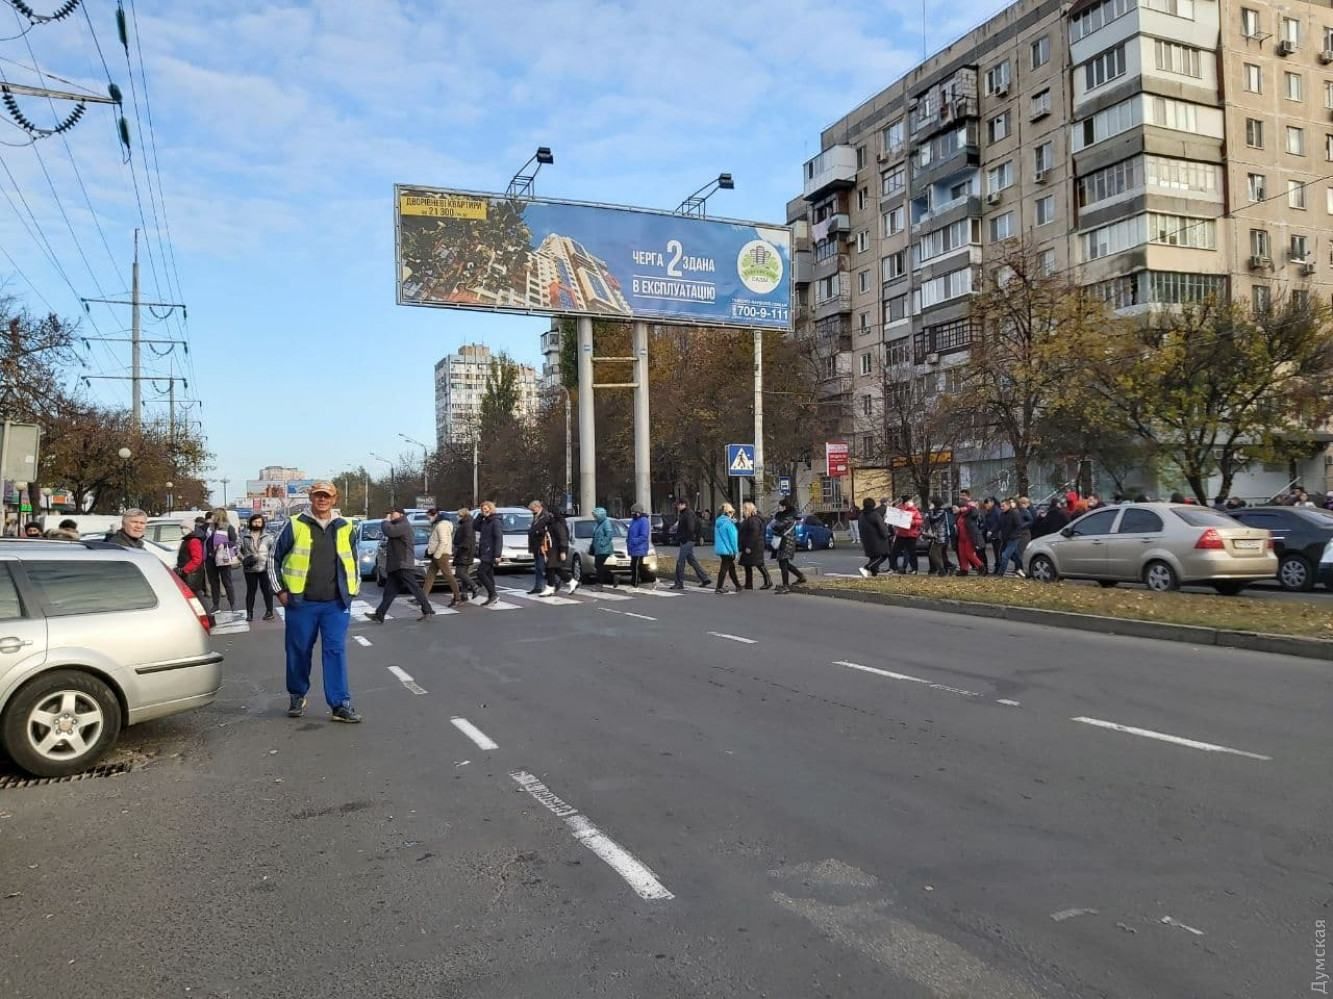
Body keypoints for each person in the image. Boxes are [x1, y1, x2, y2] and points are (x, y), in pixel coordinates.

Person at [268, 481, 362, 723]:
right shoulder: (295, 524)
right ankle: (297, 695)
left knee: (335, 651)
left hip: (336, 603)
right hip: (302, 603)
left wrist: (353, 590)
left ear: (334, 499)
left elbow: (354, 560)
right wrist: (280, 591)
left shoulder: (346, 526)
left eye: (326, 496)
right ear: (311, 498)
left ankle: (340, 704)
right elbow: (273, 559)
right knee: (298, 651)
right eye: (318, 496)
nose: (322, 500)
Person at [369, 507, 433, 622]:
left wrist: (385, 521)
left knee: (414, 587)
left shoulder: (403, 525)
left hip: (402, 563)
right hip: (396, 564)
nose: (391, 515)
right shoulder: (397, 525)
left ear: (401, 514)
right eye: (390, 513)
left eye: (393, 513)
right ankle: (380, 614)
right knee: (389, 592)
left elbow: (389, 531)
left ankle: (427, 610)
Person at [423, 511, 463, 607]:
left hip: (441, 555)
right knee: (430, 576)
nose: (430, 518)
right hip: (439, 554)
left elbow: (443, 541)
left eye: (431, 516)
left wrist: (437, 555)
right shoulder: (444, 525)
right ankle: (422, 597)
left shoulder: (442, 526)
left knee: (448, 576)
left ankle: (457, 598)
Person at [241, 513, 276, 621]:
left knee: (267, 591)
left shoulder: (268, 537)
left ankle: (269, 612)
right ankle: (249, 613)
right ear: (251, 522)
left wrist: (271, 564)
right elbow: (238, 550)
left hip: (264, 568)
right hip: (249, 569)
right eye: (255, 521)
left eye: (259, 522)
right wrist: (244, 559)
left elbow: (273, 552)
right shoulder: (245, 537)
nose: (257, 524)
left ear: (263, 524)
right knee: (251, 591)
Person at [671, 498, 711, 589]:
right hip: (688, 540)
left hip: (687, 540)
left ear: (683, 504)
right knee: (691, 560)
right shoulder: (686, 513)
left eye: (678, 505)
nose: (677, 507)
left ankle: (679, 583)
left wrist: (685, 538)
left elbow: (690, 528)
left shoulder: (688, 514)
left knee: (680, 561)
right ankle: (704, 578)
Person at [204, 508, 239, 615]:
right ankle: (216, 605)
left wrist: (224, 544)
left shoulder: (228, 527)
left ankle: (232, 604)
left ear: (219, 516)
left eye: (214, 515)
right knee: (214, 583)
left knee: (227, 582)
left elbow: (234, 541)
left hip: (223, 558)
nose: (212, 517)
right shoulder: (209, 528)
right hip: (210, 559)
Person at [769, 498, 807, 593]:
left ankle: (785, 585)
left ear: (784, 507)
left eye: (780, 506)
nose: (779, 508)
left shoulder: (788, 517)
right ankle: (800, 576)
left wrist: (774, 519)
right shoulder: (790, 516)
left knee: (783, 563)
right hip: (787, 541)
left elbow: (777, 526)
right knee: (785, 563)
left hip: (785, 541)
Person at [175, 516, 209, 610]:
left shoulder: (193, 541)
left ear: (190, 528)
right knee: (195, 597)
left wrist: (184, 569)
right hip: (189, 573)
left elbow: (197, 559)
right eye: (181, 528)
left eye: (184, 528)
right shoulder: (188, 540)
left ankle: (208, 617)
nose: (182, 530)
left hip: (192, 573)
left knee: (197, 596)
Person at [542, 507, 577, 595]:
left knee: (551, 568)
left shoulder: (557, 524)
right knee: (555, 569)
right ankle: (571, 582)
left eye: (548, 514)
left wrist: (563, 551)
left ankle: (550, 587)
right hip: (552, 549)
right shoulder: (551, 523)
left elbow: (563, 537)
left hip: (556, 549)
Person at [738, 501, 772, 590]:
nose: (742, 511)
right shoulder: (751, 519)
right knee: (748, 565)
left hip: (754, 546)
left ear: (748, 510)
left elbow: (754, 533)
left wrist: (749, 546)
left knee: (759, 564)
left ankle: (768, 581)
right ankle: (749, 584)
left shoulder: (754, 520)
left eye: (744, 509)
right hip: (753, 545)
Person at [475, 500, 504, 605]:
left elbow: (499, 538)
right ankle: (492, 596)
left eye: (486, 509)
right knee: (489, 575)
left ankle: (493, 594)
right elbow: (475, 526)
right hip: (484, 551)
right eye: (483, 509)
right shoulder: (485, 521)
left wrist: (497, 554)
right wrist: (480, 515)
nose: (484, 511)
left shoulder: (495, 521)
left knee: (481, 573)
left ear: (491, 509)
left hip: (490, 552)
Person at [712, 502, 742, 593]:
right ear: (728, 513)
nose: (732, 514)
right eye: (731, 512)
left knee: (730, 567)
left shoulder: (719, 522)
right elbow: (733, 539)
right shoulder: (728, 523)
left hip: (721, 549)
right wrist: (735, 551)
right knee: (724, 568)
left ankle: (738, 585)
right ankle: (719, 587)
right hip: (728, 549)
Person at [857, 497, 891, 577]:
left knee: (873, 557)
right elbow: (882, 528)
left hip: (866, 539)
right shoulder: (875, 515)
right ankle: (866, 568)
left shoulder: (861, 515)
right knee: (883, 555)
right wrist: (887, 534)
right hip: (877, 540)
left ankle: (874, 573)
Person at [452, 507, 479, 602]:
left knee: (460, 573)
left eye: (458, 515)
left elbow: (467, 539)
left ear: (462, 515)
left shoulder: (467, 525)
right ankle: (464, 594)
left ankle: (474, 586)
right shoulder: (467, 523)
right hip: (467, 551)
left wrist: (459, 548)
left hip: (464, 552)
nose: (457, 517)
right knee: (464, 573)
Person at [891, 497, 922, 574]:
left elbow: (919, 521)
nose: (910, 502)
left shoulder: (914, 510)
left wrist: (913, 522)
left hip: (911, 535)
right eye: (909, 501)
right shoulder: (899, 509)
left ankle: (914, 569)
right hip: (901, 534)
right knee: (894, 552)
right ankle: (893, 567)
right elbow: (894, 518)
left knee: (912, 553)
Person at [926, 496, 955, 576]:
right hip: (938, 536)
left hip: (941, 536)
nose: (928, 503)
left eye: (930, 501)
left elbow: (933, 519)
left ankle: (943, 569)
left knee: (933, 554)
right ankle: (944, 569)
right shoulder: (937, 510)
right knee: (937, 554)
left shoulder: (941, 511)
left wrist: (930, 510)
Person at [956, 498, 985, 576]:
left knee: (969, 554)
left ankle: (981, 566)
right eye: (960, 507)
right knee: (962, 554)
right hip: (961, 538)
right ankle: (964, 569)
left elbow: (975, 513)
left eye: (963, 507)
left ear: (967, 506)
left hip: (969, 537)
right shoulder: (960, 514)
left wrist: (972, 507)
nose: (962, 508)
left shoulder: (971, 512)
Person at [590, 506, 617, 588]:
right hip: (599, 549)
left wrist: (602, 543)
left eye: (596, 516)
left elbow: (609, 535)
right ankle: (613, 577)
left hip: (604, 549)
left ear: (600, 515)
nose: (595, 518)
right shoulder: (599, 524)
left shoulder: (606, 523)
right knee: (599, 566)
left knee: (599, 566)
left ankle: (599, 584)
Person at [527, 500, 550, 594]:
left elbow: (545, 531)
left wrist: (538, 533)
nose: (532, 511)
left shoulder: (545, 517)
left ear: (538, 507)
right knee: (538, 567)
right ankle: (538, 586)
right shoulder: (536, 517)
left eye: (533, 509)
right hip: (536, 545)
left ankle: (556, 581)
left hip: (542, 545)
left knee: (542, 566)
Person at [627, 504, 651, 587]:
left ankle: (635, 583)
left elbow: (644, 536)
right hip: (633, 548)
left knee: (636, 566)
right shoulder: (634, 521)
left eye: (634, 512)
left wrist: (633, 541)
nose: (633, 514)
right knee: (633, 566)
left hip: (639, 548)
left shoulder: (643, 521)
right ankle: (635, 581)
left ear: (638, 512)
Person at [983, 498, 1003, 573]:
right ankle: (998, 567)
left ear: (991, 503)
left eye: (987, 505)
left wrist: (991, 530)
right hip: (993, 534)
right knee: (996, 552)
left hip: (997, 535)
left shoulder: (996, 511)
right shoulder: (990, 511)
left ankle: (999, 567)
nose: (986, 507)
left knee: (998, 552)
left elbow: (999, 522)